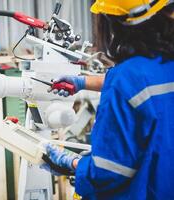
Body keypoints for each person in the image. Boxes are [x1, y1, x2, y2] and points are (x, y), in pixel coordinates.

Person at [40, 0, 174, 199]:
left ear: (116, 23)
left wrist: (72, 163)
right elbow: (143, 83)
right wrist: (82, 82)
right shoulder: (162, 65)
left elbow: (107, 173)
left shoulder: (126, 79)